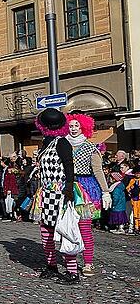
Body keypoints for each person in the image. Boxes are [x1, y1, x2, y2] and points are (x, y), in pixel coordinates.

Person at [32, 108, 79, 285]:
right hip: (46, 192)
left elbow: (69, 166)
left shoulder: (62, 143)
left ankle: (73, 272)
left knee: (66, 230)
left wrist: (68, 189)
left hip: (60, 193)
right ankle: (51, 266)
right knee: (46, 231)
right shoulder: (46, 143)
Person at [65, 113, 110, 276]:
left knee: (84, 228)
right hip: (67, 188)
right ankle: (71, 261)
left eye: (77, 125)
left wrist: (106, 191)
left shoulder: (91, 147)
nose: (74, 128)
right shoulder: (62, 145)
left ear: (83, 127)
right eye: (71, 125)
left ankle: (88, 263)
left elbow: (98, 171)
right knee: (68, 227)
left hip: (85, 189)